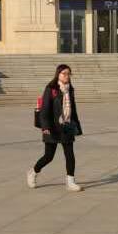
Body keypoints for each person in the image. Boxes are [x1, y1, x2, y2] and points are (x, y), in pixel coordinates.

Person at [28, 64, 83, 192]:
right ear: (58, 74)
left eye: (69, 73)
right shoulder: (51, 89)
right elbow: (45, 110)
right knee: (49, 156)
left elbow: (73, 109)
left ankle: (70, 182)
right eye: (64, 73)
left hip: (67, 126)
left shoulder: (70, 89)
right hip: (52, 127)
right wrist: (45, 127)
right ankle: (33, 172)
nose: (67, 76)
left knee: (70, 154)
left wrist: (77, 126)